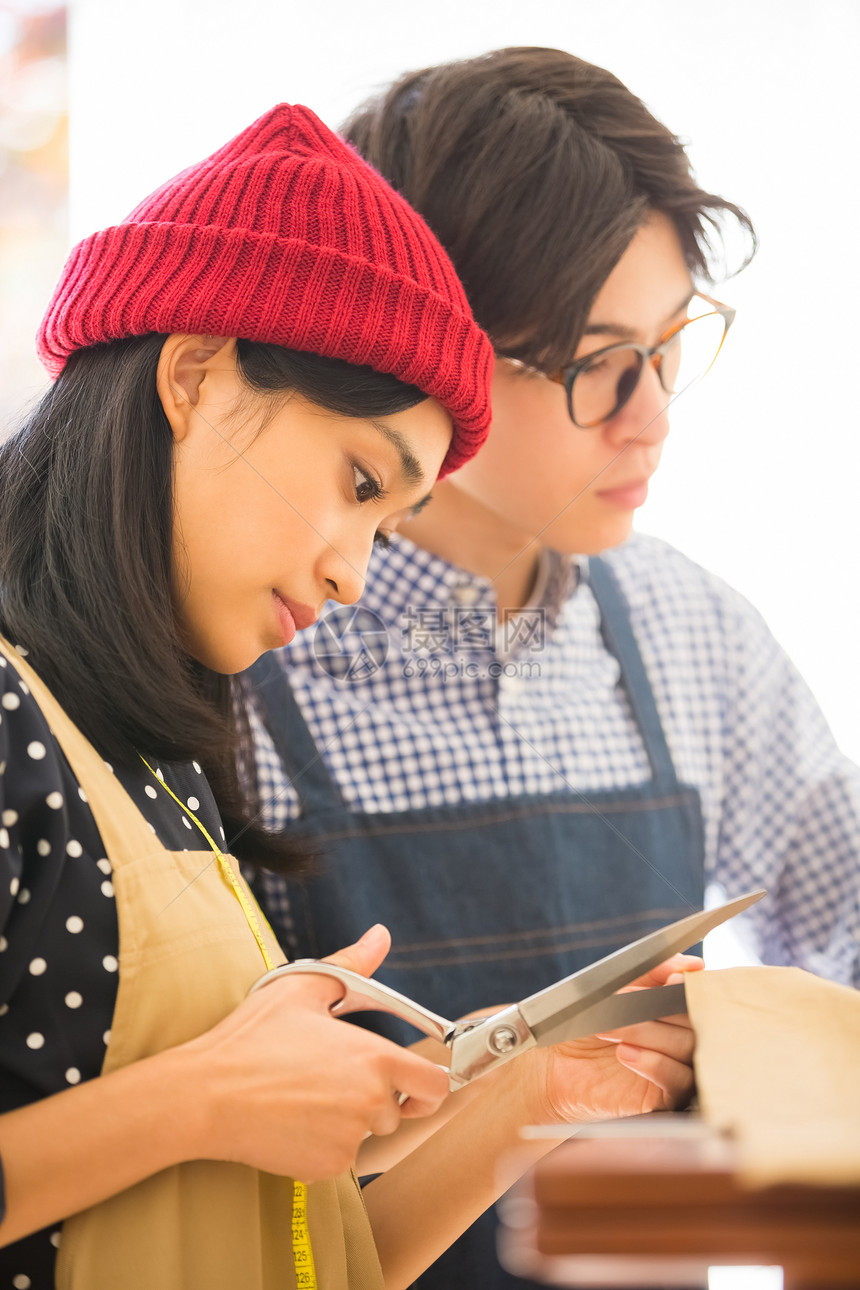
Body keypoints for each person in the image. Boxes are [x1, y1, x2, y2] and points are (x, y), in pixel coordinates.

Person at [0, 100, 702, 1290]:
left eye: (390, 520)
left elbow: (302, 1257)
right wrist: (203, 1099)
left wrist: (533, 1086)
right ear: (193, 376)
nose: (354, 572)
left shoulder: (150, 752)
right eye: (359, 479)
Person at [246, 49, 860, 1289]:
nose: (652, 416)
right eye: (595, 363)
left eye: (673, 344)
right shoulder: (243, 657)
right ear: (426, 350)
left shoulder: (693, 633)